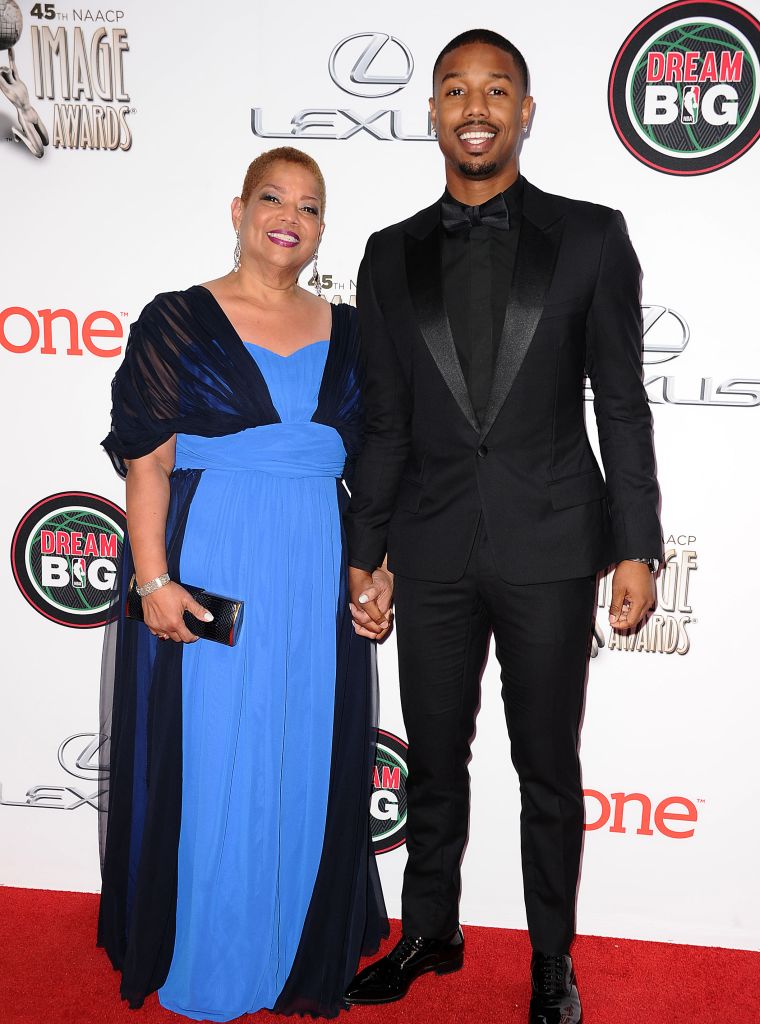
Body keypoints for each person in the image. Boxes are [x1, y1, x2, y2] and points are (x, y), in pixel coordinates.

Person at [344, 29, 662, 1024]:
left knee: (545, 769)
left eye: (494, 89)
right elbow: (386, 421)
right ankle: (429, 928)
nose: (472, 105)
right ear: (431, 112)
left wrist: (635, 540)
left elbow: (620, 399)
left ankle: (550, 962)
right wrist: (369, 552)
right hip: (432, 544)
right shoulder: (386, 256)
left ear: (524, 111)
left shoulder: (592, 236)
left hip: (551, 542)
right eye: (452, 89)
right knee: (434, 756)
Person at [97, 145, 388, 1021]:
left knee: (303, 740)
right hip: (215, 556)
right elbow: (146, 463)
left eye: (309, 204)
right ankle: (213, 947)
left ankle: (293, 942)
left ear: (322, 227)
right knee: (217, 749)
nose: (289, 214)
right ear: (238, 209)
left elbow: (380, 468)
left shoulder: (355, 329)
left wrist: (376, 571)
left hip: (314, 566)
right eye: (272, 196)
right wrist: (154, 579)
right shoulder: (178, 319)